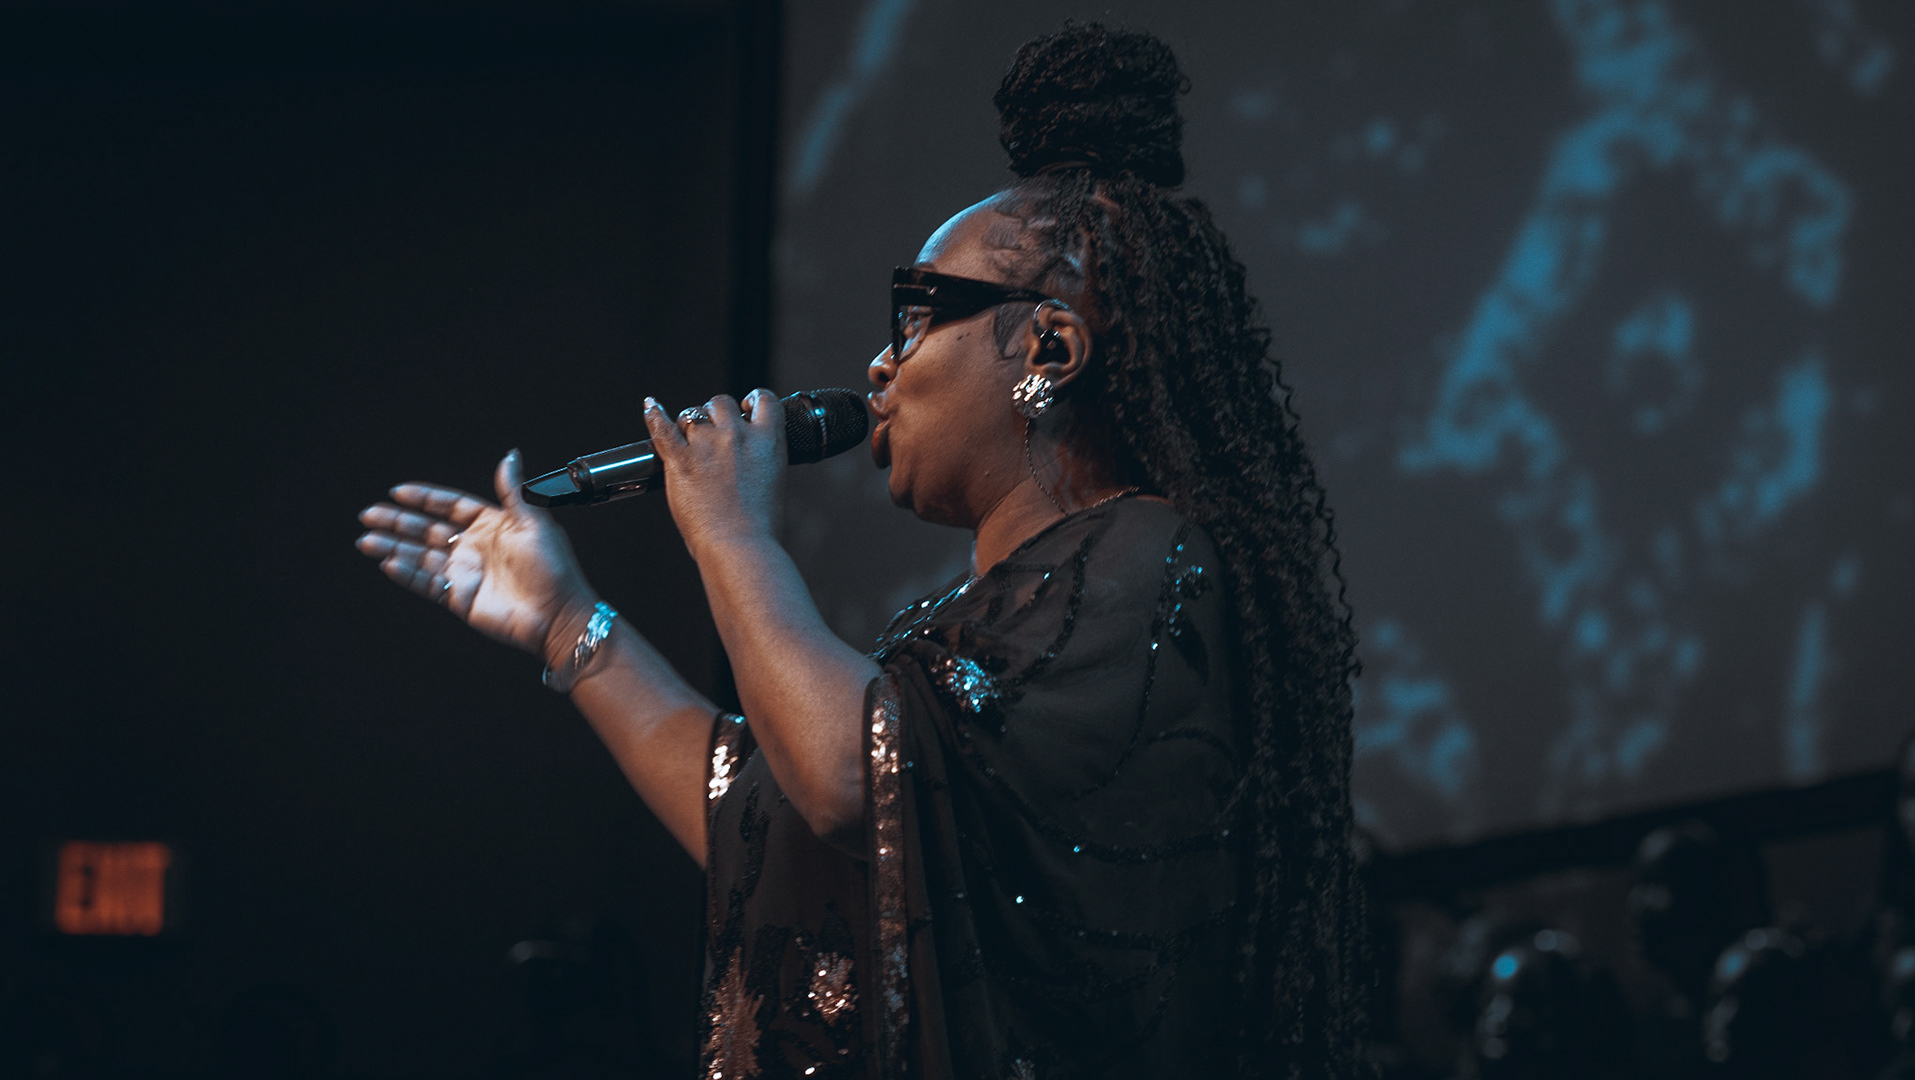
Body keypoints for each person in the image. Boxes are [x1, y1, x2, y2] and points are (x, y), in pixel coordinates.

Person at [355, 23, 1366, 1079]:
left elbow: (846, 776)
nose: (879, 365)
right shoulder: (983, 620)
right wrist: (567, 620)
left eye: (915, 318)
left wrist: (731, 531)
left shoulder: (1153, 555)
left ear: (1049, 348)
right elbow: (769, 816)